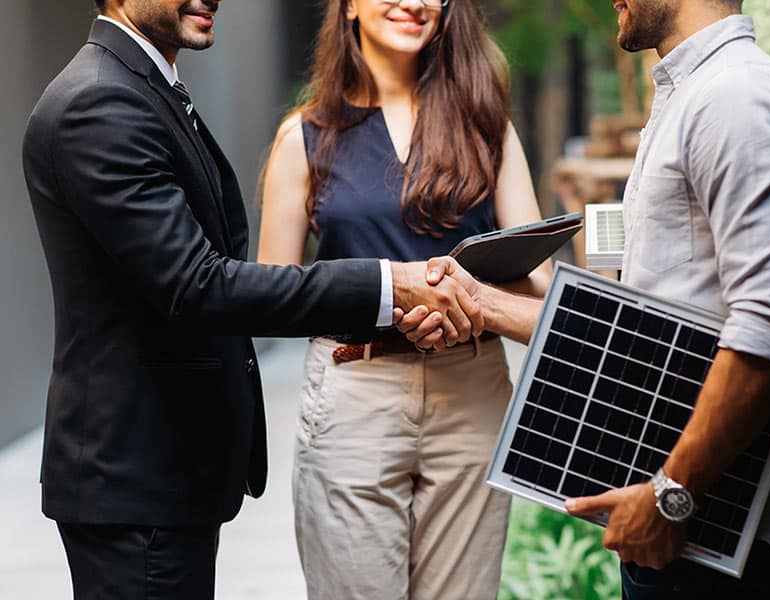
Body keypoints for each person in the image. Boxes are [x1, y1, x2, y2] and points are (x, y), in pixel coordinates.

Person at [21, 1, 483, 598]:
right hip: (135, 478)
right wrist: (388, 285)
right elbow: (198, 284)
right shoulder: (100, 102)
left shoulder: (142, 87)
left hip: (162, 477)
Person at [401, 0, 770, 597]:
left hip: (721, 527)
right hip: (683, 519)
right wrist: (483, 302)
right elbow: (649, 334)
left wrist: (671, 494)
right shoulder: (691, 95)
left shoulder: (737, 99)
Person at [256, 1, 551, 598]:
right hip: (355, 393)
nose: (415, 2)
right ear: (347, 7)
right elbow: (272, 294)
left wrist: (463, 297)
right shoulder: (304, 135)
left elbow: (542, 284)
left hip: (473, 391)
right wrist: (386, 294)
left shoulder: (487, 122)